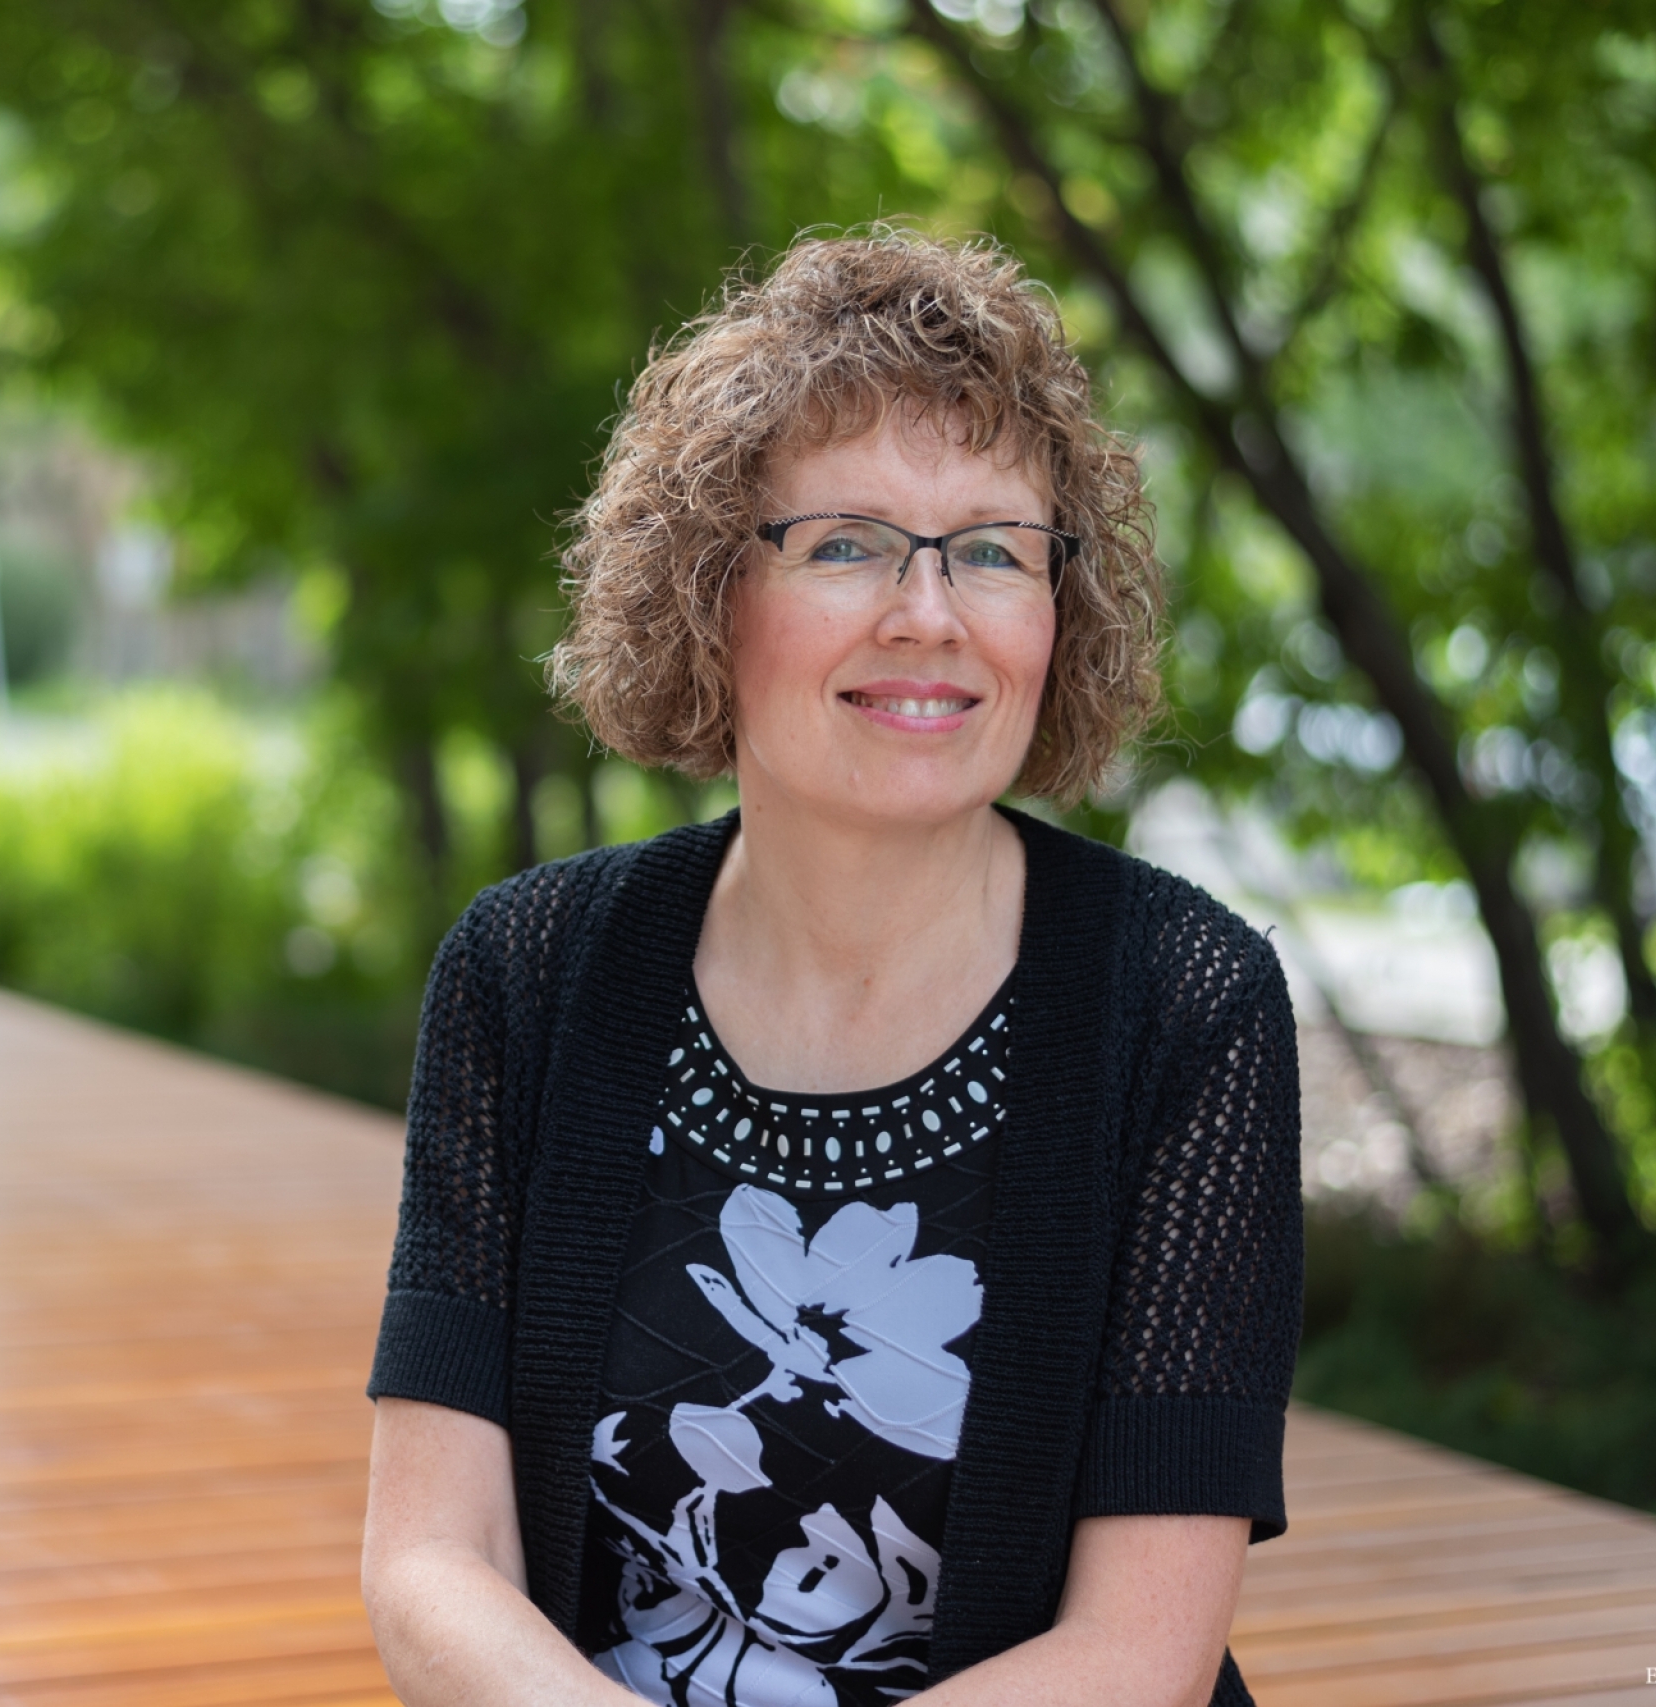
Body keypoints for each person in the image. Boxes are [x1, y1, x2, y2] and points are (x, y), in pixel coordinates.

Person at [361, 231, 1301, 1707]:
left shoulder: (1185, 1002)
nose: (929, 613)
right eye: (848, 542)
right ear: (704, 593)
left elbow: (1141, 1657)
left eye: (992, 550)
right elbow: (433, 1559)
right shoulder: (527, 973)